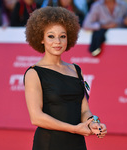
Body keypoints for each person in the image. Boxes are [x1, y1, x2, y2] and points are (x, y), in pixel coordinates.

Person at [24, 6, 107, 150]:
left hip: (77, 143)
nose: (58, 41)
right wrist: (74, 129)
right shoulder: (34, 73)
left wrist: (93, 123)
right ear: (41, 38)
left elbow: (84, 110)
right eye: (51, 36)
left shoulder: (76, 70)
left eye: (62, 36)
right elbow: (36, 117)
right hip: (49, 144)